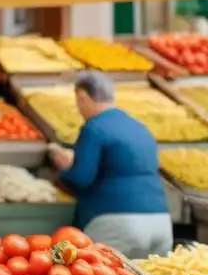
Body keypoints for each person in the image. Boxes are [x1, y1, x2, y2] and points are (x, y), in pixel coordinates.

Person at [49, 70, 172, 259]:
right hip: (161, 223)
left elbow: (81, 177)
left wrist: (63, 168)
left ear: (82, 97)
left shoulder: (95, 127)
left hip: (117, 224)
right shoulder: (140, 127)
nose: (79, 108)